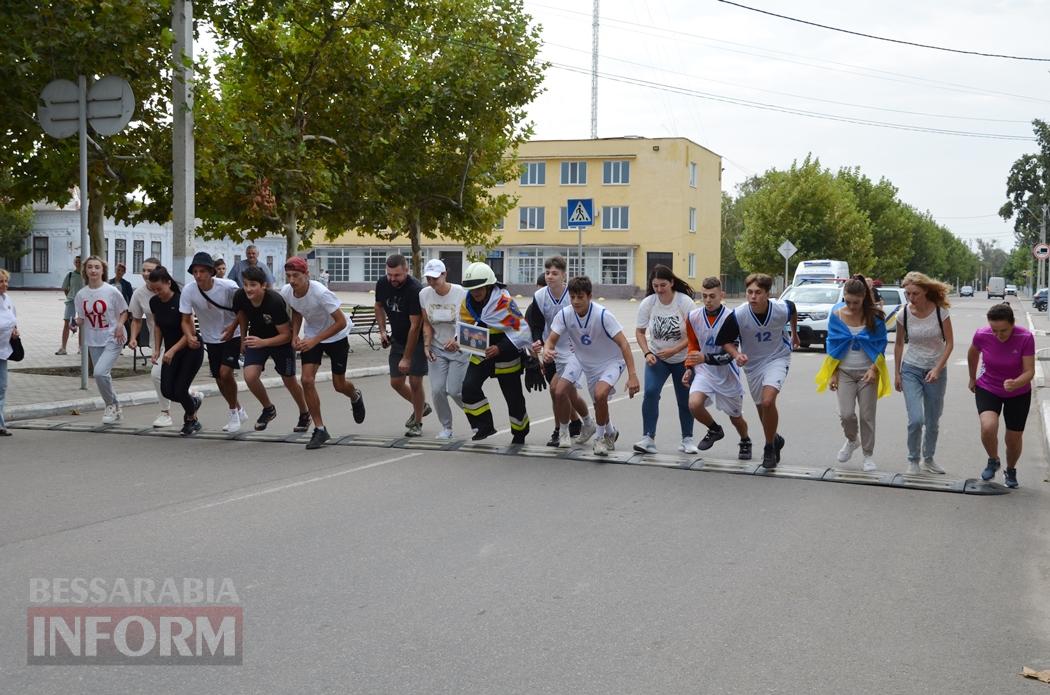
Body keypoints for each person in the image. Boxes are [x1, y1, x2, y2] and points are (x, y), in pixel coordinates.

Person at [544, 275, 640, 456]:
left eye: (580, 297)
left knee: (600, 395)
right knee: (558, 390)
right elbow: (551, 340)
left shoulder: (603, 315)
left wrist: (632, 374)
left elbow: (624, 344)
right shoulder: (565, 314)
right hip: (581, 359)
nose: (576, 301)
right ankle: (564, 433)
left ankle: (600, 438)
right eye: (572, 297)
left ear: (589, 296)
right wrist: (547, 350)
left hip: (609, 362)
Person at [281, 256, 366, 450]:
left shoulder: (320, 292)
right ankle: (320, 429)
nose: (292, 280)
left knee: (339, 384)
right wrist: (296, 334)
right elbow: (297, 311)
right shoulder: (288, 292)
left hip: (336, 335)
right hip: (312, 335)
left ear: (306, 274)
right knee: (307, 380)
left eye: (296, 275)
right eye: (288, 276)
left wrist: (314, 340)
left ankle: (355, 396)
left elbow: (340, 322)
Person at [716, 272, 799, 469]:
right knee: (762, 408)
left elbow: (793, 309)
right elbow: (724, 341)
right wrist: (737, 355)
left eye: (758, 292)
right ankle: (776, 438)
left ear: (767, 294)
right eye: (750, 292)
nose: (753, 296)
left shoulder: (780, 309)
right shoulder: (739, 315)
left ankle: (769, 447)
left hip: (777, 357)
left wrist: (794, 334)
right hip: (752, 364)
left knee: (769, 401)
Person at [815, 275, 891, 471]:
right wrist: (833, 373)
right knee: (846, 414)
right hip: (845, 372)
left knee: (867, 416)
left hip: (868, 372)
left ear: (864, 297)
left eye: (856, 302)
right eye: (848, 301)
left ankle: (868, 455)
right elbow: (832, 345)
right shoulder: (837, 315)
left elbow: (881, 345)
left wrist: (874, 369)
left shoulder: (875, 317)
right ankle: (851, 440)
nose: (851, 306)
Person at [228, 265, 310, 432]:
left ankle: (304, 413)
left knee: (289, 381)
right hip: (256, 338)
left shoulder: (274, 301)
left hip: (280, 342)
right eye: (245, 284)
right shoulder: (240, 296)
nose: (248, 289)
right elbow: (242, 315)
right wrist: (243, 338)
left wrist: (263, 343)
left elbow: (286, 335)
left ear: (263, 285)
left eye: (253, 285)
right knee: (250, 376)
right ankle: (268, 409)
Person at [458, 261, 533, 443]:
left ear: (490, 286)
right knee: (468, 388)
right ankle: (484, 426)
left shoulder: (504, 304)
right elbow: (464, 326)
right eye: (472, 289)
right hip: (481, 352)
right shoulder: (467, 303)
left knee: (513, 397)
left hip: (505, 354)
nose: (475, 292)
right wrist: (457, 340)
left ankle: (519, 433)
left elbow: (523, 331)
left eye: (479, 288)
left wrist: (500, 348)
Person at [525, 258, 594, 448]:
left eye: (554, 273)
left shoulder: (572, 295)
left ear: (564, 275)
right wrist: (538, 342)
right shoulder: (540, 296)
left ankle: (559, 431)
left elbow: (587, 319)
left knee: (557, 390)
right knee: (567, 394)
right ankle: (588, 423)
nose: (550, 276)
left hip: (573, 350)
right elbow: (537, 323)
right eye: (547, 272)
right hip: (551, 348)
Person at [681, 277, 751, 460]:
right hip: (705, 371)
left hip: (727, 374)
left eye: (712, 296)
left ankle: (745, 440)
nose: (708, 300)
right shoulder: (693, 317)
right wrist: (689, 367)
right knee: (694, 404)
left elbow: (730, 354)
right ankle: (714, 429)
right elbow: (693, 345)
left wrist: (706, 357)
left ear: (722, 295)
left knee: (736, 418)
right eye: (704, 296)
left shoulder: (732, 317)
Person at [179, 251, 247, 432]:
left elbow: (242, 311)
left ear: (211, 272)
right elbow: (185, 319)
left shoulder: (228, 287)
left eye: (202, 271)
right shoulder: (189, 290)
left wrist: (232, 328)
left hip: (232, 334)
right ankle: (239, 409)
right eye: (195, 272)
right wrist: (189, 336)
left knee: (226, 374)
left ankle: (233, 412)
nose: (198, 275)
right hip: (211, 338)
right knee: (218, 377)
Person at [969, 303, 1035, 489]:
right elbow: (973, 354)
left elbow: (1030, 371)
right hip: (988, 386)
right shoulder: (982, 334)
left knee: (1013, 438)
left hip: (1019, 391)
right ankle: (993, 459)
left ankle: (1011, 470)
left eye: (1003, 330)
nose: (998, 335)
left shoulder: (1025, 337)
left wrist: (1016, 383)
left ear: (1013, 323)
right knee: (988, 426)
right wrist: (972, 377)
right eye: (994, 330)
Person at [894, 271, 954, 474]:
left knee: (932, 420)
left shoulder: (940, 312)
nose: (911, 298)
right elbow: (899, 344)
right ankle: (913, 459)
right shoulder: (903, 313)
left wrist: (938, 368)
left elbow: (950, 343)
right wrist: (897, 373)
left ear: (926, 291)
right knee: (916, 419)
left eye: (915, 293)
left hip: (935, 371)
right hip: (911, 368)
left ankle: (928, 459)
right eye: (908, 293)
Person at [634, 265, 698, 455]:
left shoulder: (684, 302)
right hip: (657, 357)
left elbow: (694, 335)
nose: (659, 289)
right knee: (651, 393)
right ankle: (648, 438)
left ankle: (687, 439)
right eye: (655, 286)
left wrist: (675, 349)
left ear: (671, 283)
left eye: (663, 285)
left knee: (684, 398)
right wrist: (647, 353)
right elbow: (639, 332)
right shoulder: (648, 303)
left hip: (682, 358)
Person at [375, 254, 430, 436]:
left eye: (397, 275)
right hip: (397, 339)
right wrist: (383, 331)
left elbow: (415, 326)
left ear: (406, 270)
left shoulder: (415, 289)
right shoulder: (382, 283)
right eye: (390, 274)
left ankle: (417, 423)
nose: (392, 279)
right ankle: (421, 406)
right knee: (396, 382)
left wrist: (407, 358)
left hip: (417, 341)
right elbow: (378, 306)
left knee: (415, 381)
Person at [147, 266, 205, 436]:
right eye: (153, 289)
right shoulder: (155, 302)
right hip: (171, 349)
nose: (157, 292)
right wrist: (157, 349)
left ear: (168, 283)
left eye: (160, 289)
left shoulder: (181, 300)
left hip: (190, 347)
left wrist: (171, 350)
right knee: (166, 390)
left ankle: (191, 420)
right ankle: (193, 401)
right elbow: (158, 326)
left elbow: (191, 332)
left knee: (180, 389)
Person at [74, 256, 128, 424]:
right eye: (90, 267)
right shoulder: (81, 294)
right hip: (93, 339)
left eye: (97, 267)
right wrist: (75, 323)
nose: (93, 270)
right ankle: (116, 407)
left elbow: (124, 311)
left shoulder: (111, 291)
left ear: (103, 270)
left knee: (99, 372)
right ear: (85, 271)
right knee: (103, 376)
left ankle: (111, 405)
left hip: (113, 336)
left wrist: (120, 324)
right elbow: (82, 318)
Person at [419, 259, 469, 440]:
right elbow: (426, 323)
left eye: (435, 278)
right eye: (428, 279)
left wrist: (456, 340)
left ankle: (477, 418)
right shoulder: (424, 294)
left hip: (459, 348)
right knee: (438, 390)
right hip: (437, 348)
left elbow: (467, 322)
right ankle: (446, 427)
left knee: (455, 390)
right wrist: (426, 346)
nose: (431, 283)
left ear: (444, 274)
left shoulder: (461, 294)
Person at [127, 257, 175, 427]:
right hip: (157, 342)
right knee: (158, 375)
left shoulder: (173, 289)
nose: (146, 274)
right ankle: (167, 411)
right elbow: (137, 319)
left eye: (150, 270)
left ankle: (185, 400)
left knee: (163, 376)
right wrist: (133, 338)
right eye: (144, 270)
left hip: (176, 340)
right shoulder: (139, 294)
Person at [0, 269, 18, 437]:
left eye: (6, 281)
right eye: (1, 282)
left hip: (3, 351)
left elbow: (13, 319)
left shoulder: (7, 300)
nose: (4, 285)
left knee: (2, 387)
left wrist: (14, 331)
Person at [57, 255, 83, 355]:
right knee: (67, 323)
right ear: (74, 263)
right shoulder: (70, 275)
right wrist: (70, 296)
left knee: (82, 325)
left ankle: (81, 348)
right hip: (71, 301)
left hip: (82, 303)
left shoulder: (86, 276)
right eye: (76, 262)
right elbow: (65, 288)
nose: (78, 264)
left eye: (80, 262)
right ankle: (63, 347)